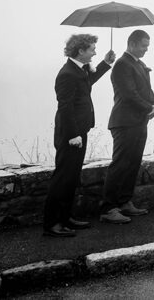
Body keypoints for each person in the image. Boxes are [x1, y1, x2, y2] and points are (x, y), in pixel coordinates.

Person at [41, 34, 115, 238]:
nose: (95, 52)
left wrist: (105, 64)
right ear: (80, 51)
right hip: (70, 134)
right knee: (63, 178)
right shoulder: (67, 74)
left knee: (72, 177)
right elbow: (64, 107)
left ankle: (65, 218)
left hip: (79, 131)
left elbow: (87, 83)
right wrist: (73, 135)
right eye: (92, 49)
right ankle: (53, 224)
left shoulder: (77, 70)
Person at [98, 29, 154, 224]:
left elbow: (146, 90)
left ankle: (124, 202)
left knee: (133, 163)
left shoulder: (138, 64)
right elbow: (128, 94)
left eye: (147, 46)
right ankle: (108, 208)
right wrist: (148, 107)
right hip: (124, 122)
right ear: (132, 44)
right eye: (144, 45)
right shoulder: (122, 64)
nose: (146, 49)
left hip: (139, 121)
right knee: (121, 164)